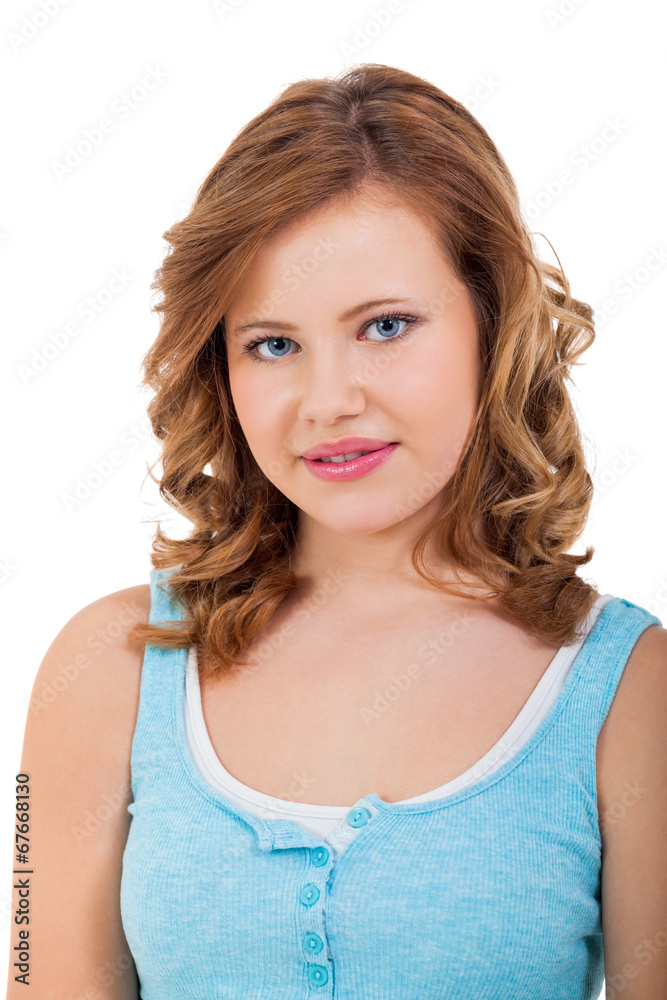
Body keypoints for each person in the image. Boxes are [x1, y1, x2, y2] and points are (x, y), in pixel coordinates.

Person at [8, 63, 666, 1000]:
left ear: (492, 324)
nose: (328, 401)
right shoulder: (108, 665)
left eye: (385, 327)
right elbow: (34, 970)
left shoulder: (627, 686)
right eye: (272, 344)